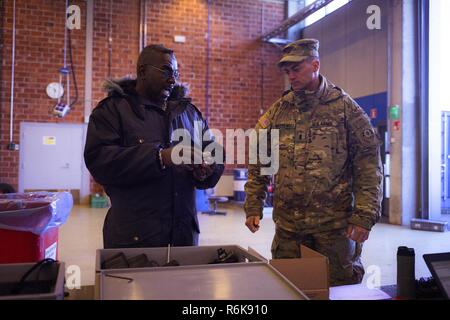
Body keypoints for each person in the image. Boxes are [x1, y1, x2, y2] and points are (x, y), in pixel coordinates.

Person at [244, 39, 383, 286]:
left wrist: (364, 215)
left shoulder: (344, 109)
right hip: (288, 228)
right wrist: (254, 204)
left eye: (296, 69)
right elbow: (259, 158)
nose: (291, 76)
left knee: (338, 289)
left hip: (334, 229)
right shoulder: (279, 111)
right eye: (287, 71)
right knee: (288, 288)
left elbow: (369, 165)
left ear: (315, 64)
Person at [84, 44, 224, 249]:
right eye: (166, 71)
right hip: (135, 241)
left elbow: (214, 151)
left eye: (175, 72)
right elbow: (100, 162)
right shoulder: (113, 111)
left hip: (184, 239)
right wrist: (160, 157)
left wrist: (208, 168)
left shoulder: (189, 113)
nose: (173, 79)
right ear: (142, 71)